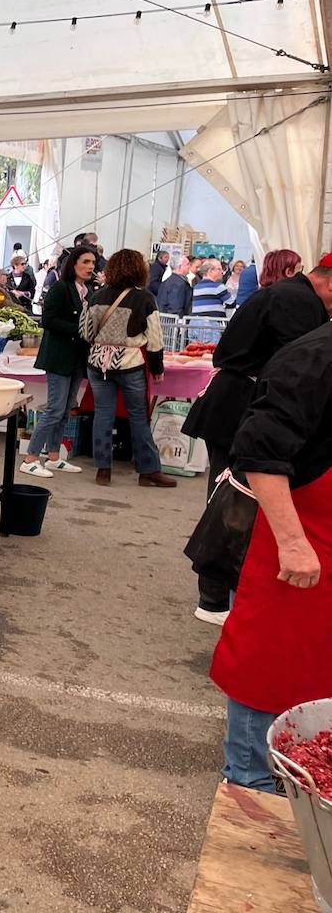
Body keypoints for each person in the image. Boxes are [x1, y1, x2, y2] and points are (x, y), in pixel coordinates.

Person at [209, 320, 332, 792]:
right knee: (268, 663)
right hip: (302, 537)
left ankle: (306, 776)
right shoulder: (314, 357)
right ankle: (250, 780)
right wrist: (294, 542)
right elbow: (259, 451)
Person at [182, 256, 332, 624]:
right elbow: (298, 371)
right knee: (235, 502)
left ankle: (220, 594)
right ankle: (214, 599)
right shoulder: (297, 302)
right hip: (240, 405)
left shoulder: (290, 295)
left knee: (230, 498)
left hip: (237, 401)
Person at [79, 248, 175, 487]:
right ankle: (148, 471)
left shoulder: (97, 296)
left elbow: (85, 332)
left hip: (98, 363)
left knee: (102, 414)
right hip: (130, 363)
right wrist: (157, 368)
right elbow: (155, 339)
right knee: (138, 417)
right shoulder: (144, 298)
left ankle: (103, 470)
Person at [20, 246, 96, 478]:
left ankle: (54, 456)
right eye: (85, 262)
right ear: (73, 264)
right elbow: (49, 320)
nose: (90, 267)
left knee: (66, 408)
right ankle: (31, 457)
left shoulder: (88, 291)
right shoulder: (60, 288)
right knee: (54, 409)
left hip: (76, 358)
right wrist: (80, 330)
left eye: (93, 262)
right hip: (59, 357)